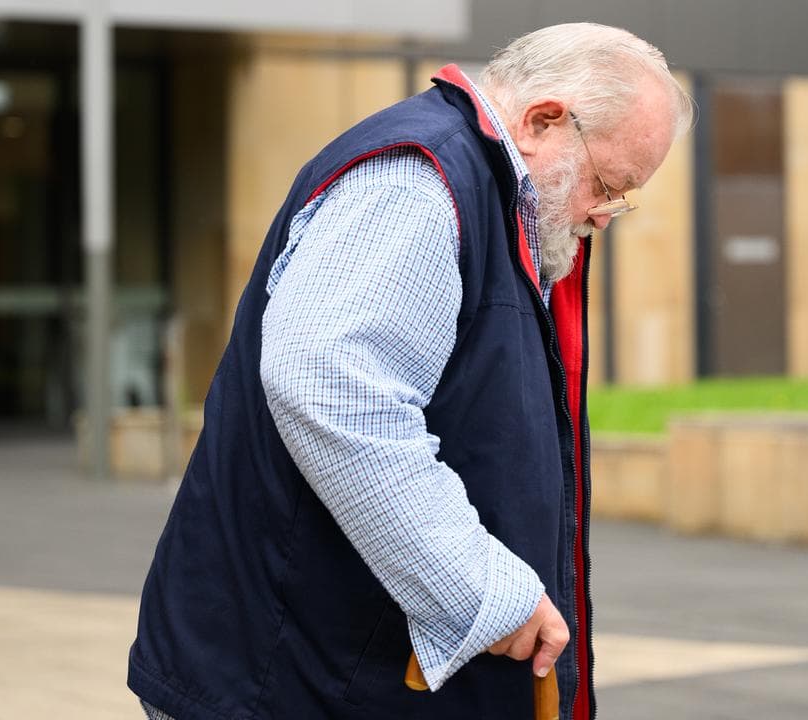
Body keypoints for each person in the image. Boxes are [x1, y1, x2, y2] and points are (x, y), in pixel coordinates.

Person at [128, 22, 692, 720]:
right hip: (299, 681)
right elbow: (333, 389)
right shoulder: (420, 180)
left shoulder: (490, 193)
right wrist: (479, 590)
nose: (602, 217)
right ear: (544, 120)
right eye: (608, 185)